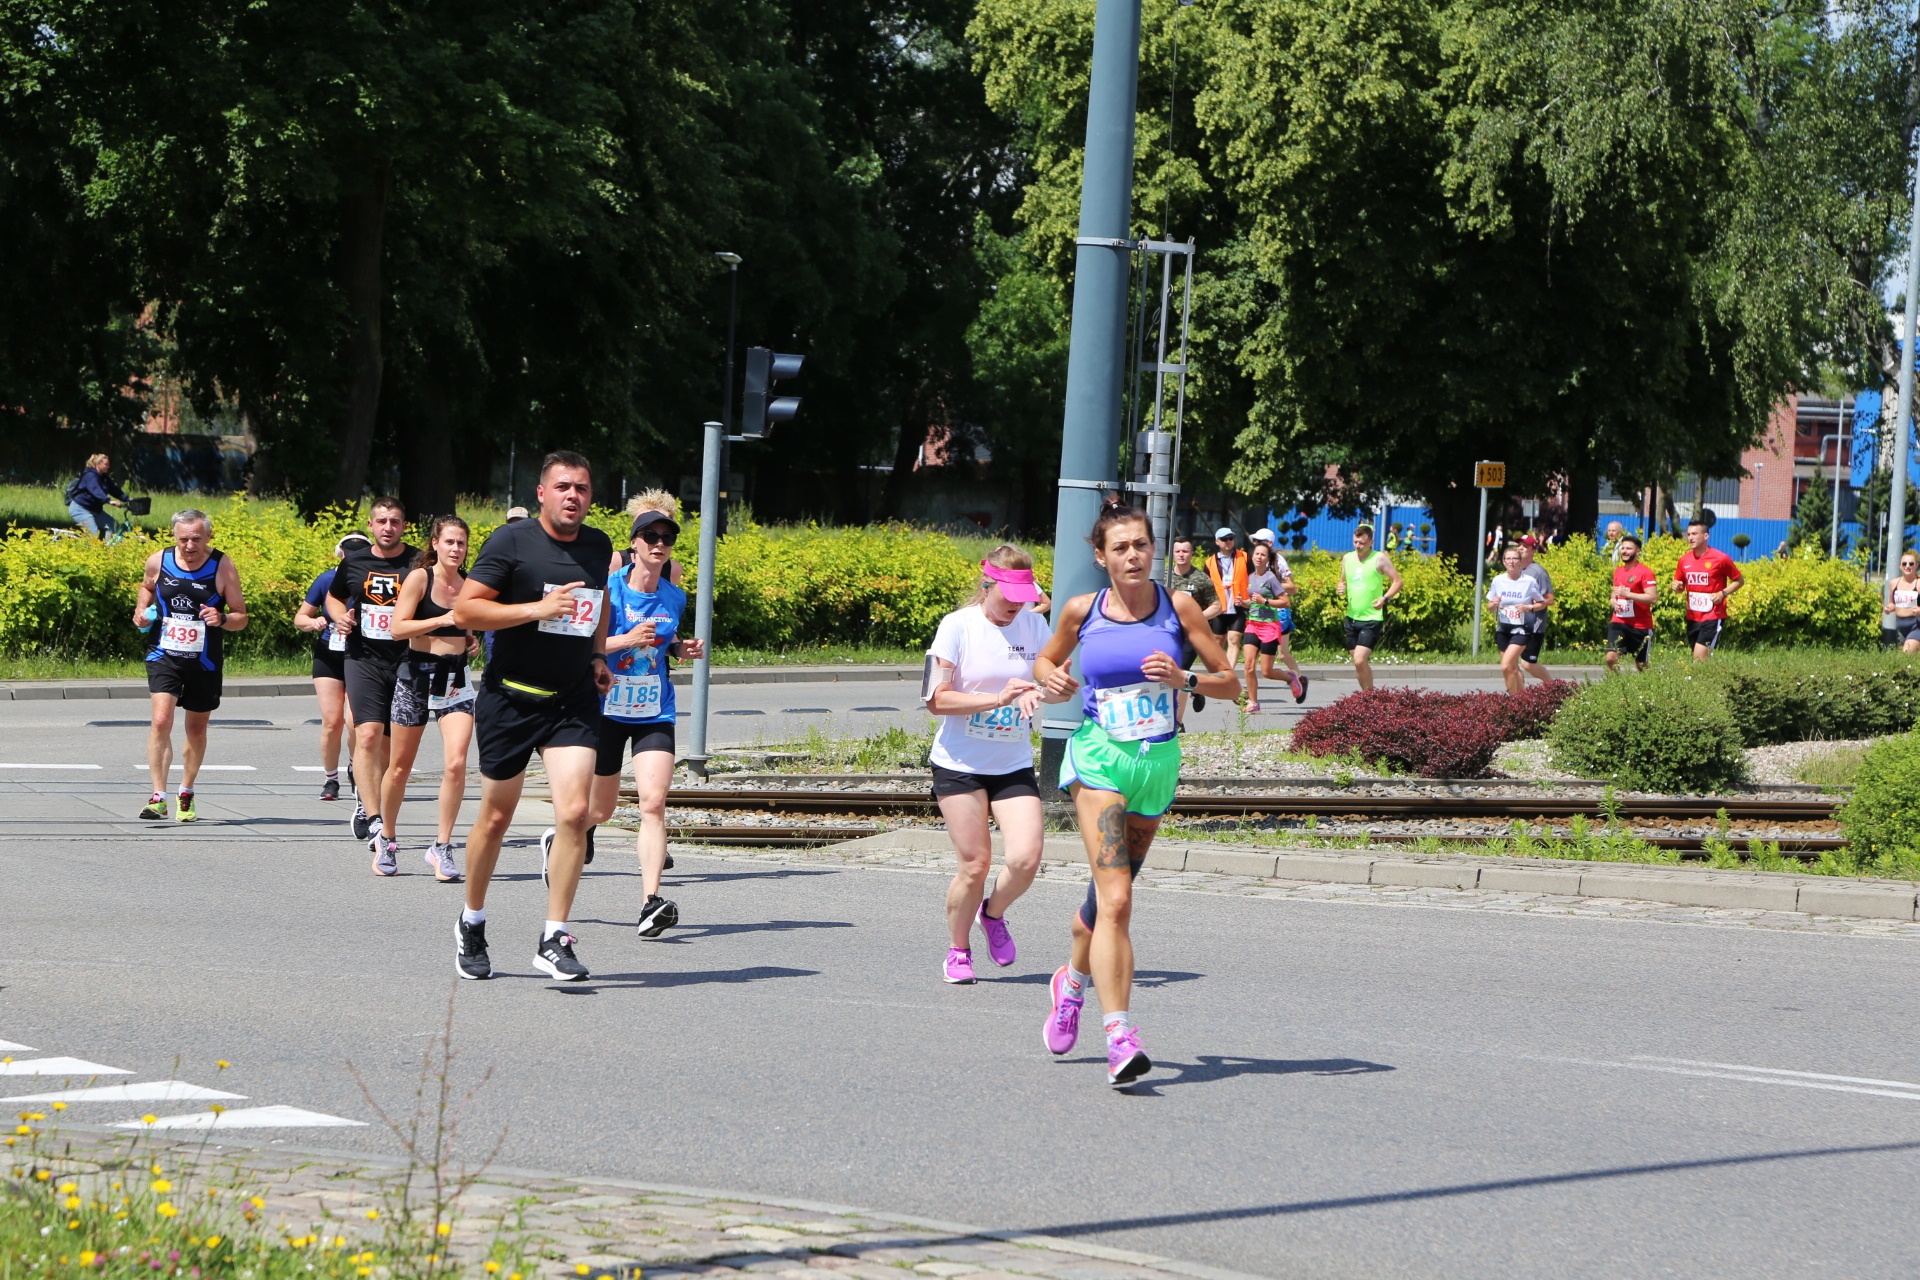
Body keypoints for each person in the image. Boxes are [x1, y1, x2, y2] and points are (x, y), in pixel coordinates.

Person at [1031, 503, 1239, 1088]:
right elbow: (1046, 659)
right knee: (1118, 901)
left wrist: (1184, 678)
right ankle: (1120, 1037)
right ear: (1101, 557)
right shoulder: (1083, 610)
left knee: (1101, 907)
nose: (1133, 556)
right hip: (1100, 758)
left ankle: (1071, 983)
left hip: (1157, 764)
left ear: (1154, 550)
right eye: (1120, 548)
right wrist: (1051, 677)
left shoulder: (1180, 607)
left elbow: (1230, 683)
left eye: (1141, 545)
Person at [450, 452, 612, 982]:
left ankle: (554, 938)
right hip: (511, 698)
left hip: (572, 699)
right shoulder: (510, 542)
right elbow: (467, 610)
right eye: (563, 487)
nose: (573, 496)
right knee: (496, 818)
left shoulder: (598, 545)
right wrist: (535, 611)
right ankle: (472, 920)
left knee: (575, 813)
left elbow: (598, 603)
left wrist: (598, 655)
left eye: (582, 488)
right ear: (541, 493)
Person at [922, 545, 1057, 985]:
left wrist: (1048, 689)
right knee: (975, 864)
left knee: (1026, 859)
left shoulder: (1035, 625)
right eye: (1010, 595)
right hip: (959, 762)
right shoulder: (957, 626)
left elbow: (1050, 683)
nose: (1018, 604)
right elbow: (936, 700)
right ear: (988, 585)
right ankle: (958, 950)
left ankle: (993, 914)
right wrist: (998, 698)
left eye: (1024, 596)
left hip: (1012, 762)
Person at [582, 499, 705, 940]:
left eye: (666, 538)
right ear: (633, 544)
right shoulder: (609, 590)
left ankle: (650, 902)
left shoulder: (674, 595)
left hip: (655, 709)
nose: (659, 544)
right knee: (601, 809)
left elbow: (665, 643)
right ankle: (567, 838)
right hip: (608, 708)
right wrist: (627, 639)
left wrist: (681, 650)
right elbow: (587, 645)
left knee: (653, 803)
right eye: (650, 537)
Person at [379, 517, 479, 880]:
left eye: (461, 543)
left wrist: (469, 639)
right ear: (435, 543)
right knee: (400, 766)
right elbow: (397, 628)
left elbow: (467, 626)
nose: (456, 549)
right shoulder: (420, 578)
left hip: (455, 680)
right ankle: (387, 838)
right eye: (449, 542)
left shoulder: (469, 584)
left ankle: (442, 845)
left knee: (456, 764)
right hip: (416, 677)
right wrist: (441, 621)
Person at [133, 509, 248, 821]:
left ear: (209, 535)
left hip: (204, 660)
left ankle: (186, 791)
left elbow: (241, 617)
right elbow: (147, 587)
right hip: (163, 654)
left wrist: (221, 618)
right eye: (183, 539)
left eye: (196, 538)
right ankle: (158, 796)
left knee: (195, 729)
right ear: (174, 536)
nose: (189, 545)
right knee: (161, 720)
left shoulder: (222, 566)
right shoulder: (159, 560)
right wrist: (141, 610)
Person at [326, 499, 418, 853]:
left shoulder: (420, 562)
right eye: (381, 521)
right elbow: (334, 597)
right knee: (367, 735)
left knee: (389, 748)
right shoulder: (354, 562)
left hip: (407, 660)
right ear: (371, 525)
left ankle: (373, 800)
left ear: (404, 525)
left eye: (394, 521)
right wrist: (339, 616)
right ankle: (375, 816)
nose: (388, 527)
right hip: (363, 658)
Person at [294, 533, 370, 800]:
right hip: (329, 654)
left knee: (355, 722)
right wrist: (313, 623)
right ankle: (330, 780)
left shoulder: (374, 581)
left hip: (362, 656)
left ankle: (356, 769)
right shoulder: (326, 580)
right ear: (341, 555)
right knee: (332, 721)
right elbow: (300, 618)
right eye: (350, 555)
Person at [1241, 538, 1306, 711]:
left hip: (1269, 626)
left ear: (1268, 559)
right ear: (1252, 556)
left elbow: (1285, 602)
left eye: (1263, 555)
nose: (1259, 557)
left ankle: (1291, 678)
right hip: (1253, 624)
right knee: (1248, 666)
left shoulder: (1271, 578)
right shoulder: (1250, 577)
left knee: (1267, 671)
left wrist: (1265, 601)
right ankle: (1253, 703)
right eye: (1256, 554)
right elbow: (1253, 602)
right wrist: (1244, 603)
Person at [1335, 524, 1402, 691]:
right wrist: (1341, 587)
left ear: (1371, 542)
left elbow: (1398, 581)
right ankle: (1368, 696)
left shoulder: (1379, 558)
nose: (1358, 546)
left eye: (1362, 543)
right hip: (1351, 618)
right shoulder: (1347, 558)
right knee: (1358, 663)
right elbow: (1343, 580)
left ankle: (1371, 696)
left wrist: (1384, 598)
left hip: (1371, 618)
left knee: (1359, 660)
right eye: (1355, 542)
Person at [1165, 535, 1221, 720]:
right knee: (1168, 673)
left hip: (1191, 635)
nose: (1181, 555)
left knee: (1180, 672)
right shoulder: (1164, 577)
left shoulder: (1200, 579)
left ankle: (1178, 721)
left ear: (1192, 553)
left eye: (1185, 551)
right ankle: (1196, 689)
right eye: (1178, 551)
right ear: (1172, 553)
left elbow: (1217, 606)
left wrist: (1196, 618)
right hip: (1168, 633)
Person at [1674, 517, 1743, 659]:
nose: (1690, 538)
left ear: (1706, 536)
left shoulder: (1720, 558)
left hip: (1713, 615)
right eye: (1688, 534)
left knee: (1699, 657)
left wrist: (1723, 593)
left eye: (1694, 534)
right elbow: (1679, 585)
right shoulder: (1684, 560)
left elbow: (1739, 580)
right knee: (1700, 657)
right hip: (1693, 616)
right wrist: (1677, 587)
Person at [1486, 546, 1549, 695]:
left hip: (1522, 629)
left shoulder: (1529, 581)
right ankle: (1521, 699)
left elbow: (1542, 603)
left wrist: (1529, 607)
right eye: (1508, 559)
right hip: (1503, 629)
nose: (1511, 562)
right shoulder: (1498, 580)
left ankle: (1513, 701)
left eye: (1515, 558)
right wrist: (1494, 604)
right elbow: (1490, 607)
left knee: (1505, 666)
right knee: (1512, 669)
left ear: (1520, 562)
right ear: (1503, 562)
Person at [1605, 534, 1657, 673]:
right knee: (1610, 658)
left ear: (1637, 551)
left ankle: (1648, 685)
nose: (1625, 551)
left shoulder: (1645, 572)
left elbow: (1652, 598)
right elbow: (1615, 593)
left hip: (1640, 625)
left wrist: (1628, 594)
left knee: (1641, 665)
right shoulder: (1618, 571)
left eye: (1629, 548)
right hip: (1619, 621)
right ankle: (1617, 683)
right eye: (1623, 548)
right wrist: (1613, 601)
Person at [1205, 528, 1250, 668]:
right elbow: (1205, 585)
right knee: (1218, 640)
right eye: (1224, 539)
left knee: (1234, 639)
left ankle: (1229, 671)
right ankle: (1221, 670)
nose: (1228, 542)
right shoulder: (1209, 562)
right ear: (1217, 542)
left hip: (1239, 605)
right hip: (1219, 606)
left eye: (1231, 538)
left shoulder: (1245, 557)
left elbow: (1254, 578)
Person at [1514, 536, 1555, 683]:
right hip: (1515, 623)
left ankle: (1552, 686)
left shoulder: (1538, 572)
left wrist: (1530, 607)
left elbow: (1550, 599)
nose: (1520, 548)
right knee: (1510, 661)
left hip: (1533, 626)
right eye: (1519, 545)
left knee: (1528, 664)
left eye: (1525, 546)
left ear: (1533, 550)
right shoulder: (1515, 570)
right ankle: (1519, 693)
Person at [1891, 553, 1920, 654]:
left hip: (1916, 625)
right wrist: (1889, 608)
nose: (1907, 566)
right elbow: (1892, 603)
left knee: (1906, 653)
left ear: (1916, 566)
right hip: (1900, 627)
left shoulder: (1919, 583)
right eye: (1904, 564)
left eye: (1911, 564)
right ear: (1900, 566)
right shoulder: (1894, 583)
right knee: (1905, 658)